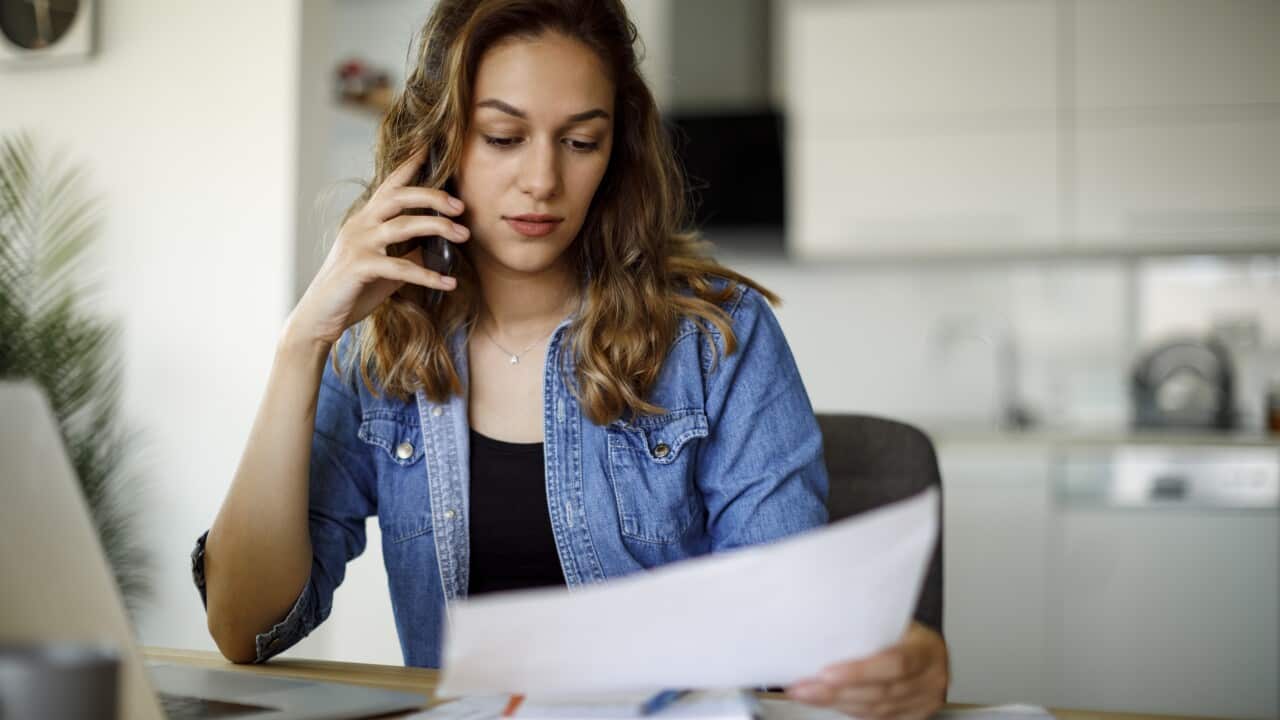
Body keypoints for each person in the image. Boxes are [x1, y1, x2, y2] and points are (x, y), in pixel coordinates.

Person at [193, 1, 948, 718]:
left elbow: (791, 632)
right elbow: (245, 627)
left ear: (615, 152)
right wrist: (302, 344)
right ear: (438, 143)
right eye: (502, 137)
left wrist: (897, 659)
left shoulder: (715, 337)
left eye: (581, 141)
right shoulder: (381, 346)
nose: (543, 181)